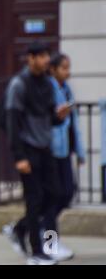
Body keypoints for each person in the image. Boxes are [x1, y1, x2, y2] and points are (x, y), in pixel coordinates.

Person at [2, 41, 71, 265]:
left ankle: (18, 228)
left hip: (45, 147)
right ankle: (36, 252)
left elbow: (49, 118)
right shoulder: (19, 85)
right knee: (35, 199)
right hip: (27, 148)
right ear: (30, 58)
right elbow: (12, 122)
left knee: (55, 194)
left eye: (46, 56)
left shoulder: (48, 85)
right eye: (40, 56)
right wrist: (19, 156)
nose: (45, 61)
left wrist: (58, 117)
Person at [47, 53, 85, 259]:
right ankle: (50, 243)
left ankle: (22, 226)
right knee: (54, 197)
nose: (67, 72)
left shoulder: (67, 89)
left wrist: (79, 151)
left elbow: (75, 124)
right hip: (51, 151)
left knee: (68, 192)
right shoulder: (47, 88)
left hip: (64, 151)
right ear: (53, 69)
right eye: (64, 68)